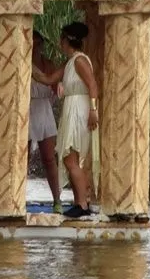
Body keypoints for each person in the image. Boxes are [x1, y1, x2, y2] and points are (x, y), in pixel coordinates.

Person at [32, 22, 100, 219]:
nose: (59, 43)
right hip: (71, 108)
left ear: (66, 41)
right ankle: (81, 202)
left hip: (80, 108)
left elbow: (93, 85)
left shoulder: (79, 61)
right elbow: (47, 79)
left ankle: (82, 203)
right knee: (71, 158)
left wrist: (93, 110)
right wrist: (26, 63)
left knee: (71, 158)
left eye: (61, 39)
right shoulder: (69, 62)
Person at [29, 30, 62, 212]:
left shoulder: (47, 64)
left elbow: (55, 87)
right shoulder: (23, 62)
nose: (35, 48)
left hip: (43, 108)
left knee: (49, 158)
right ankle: (17, 197)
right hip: (26, 108)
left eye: (38, 44)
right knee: (21, 157)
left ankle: (57, 199)